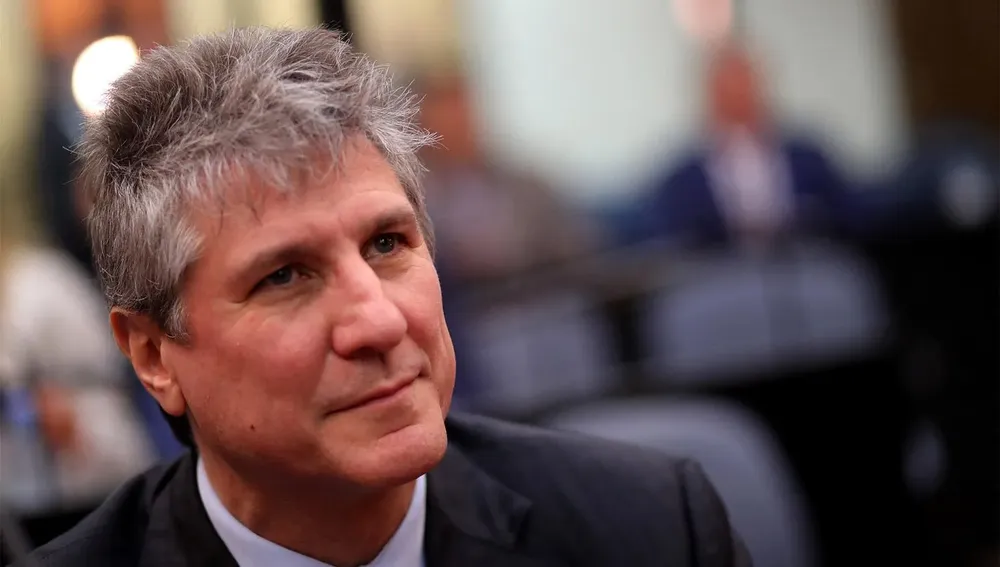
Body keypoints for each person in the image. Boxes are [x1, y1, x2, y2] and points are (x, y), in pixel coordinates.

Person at [20, 27, 750, 567]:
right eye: (285, 276)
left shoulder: (651, 530)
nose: (379, 318)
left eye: (387, 244)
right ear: (154, 356)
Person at [647, 42, 850, 252]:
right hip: (720, 267)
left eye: (744, 88)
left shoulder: (808, 160)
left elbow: (844, 213)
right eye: (727, 92)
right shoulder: (681, 180)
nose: (738, 100)